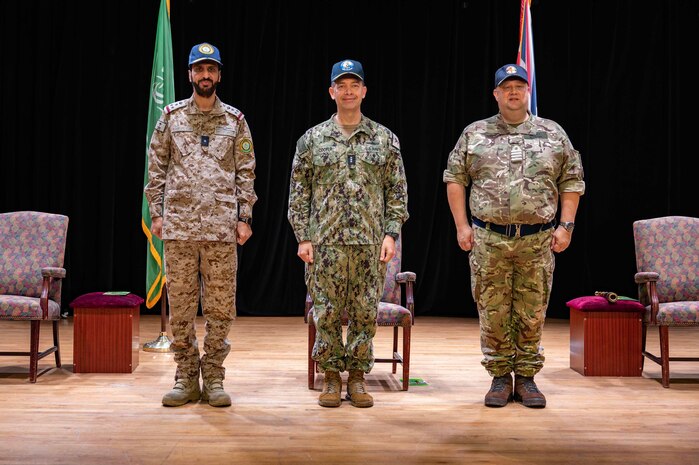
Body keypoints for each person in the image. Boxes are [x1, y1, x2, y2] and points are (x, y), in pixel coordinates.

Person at [443, 64, 585, 408]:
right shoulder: (475, 134)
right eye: (506, 87)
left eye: (519, 86)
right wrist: (462, 226)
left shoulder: (552, 134)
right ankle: (498, 378)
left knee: (532, 310)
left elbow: (572, 181)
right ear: (495, 94)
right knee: (492, 309)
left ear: (528, 91)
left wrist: (566, 226)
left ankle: (527, 379)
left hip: (537, 240)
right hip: (489, 239)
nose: (513, 92)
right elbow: (455, 179)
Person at [288, 59, 409, 408]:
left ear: (364, 91)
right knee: (325, 311)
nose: (348, 91)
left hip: (369, 243)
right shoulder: (312, 140)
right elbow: (299, 193)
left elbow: (397, 192)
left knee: (362, 312)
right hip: (325, 243)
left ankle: (356, 377)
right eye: (341, 85)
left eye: (354, 84)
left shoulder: (385, 139)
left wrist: (390, 234)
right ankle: (329, 376)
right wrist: (303, 237)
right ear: (331, 92)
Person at [144, 42, 257, 407]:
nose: (205, 75)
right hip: (179, 227)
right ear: (190, 74)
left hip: (221, 230)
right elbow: (156, 167)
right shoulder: (171, 117)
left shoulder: (235, 121)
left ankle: (214, 377)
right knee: (180, 307)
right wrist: (157, 213)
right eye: (199, 69)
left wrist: (244, 217)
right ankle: (185, 377)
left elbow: (246, 172)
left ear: (219, 75)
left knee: (221, 308)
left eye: (211, 69)